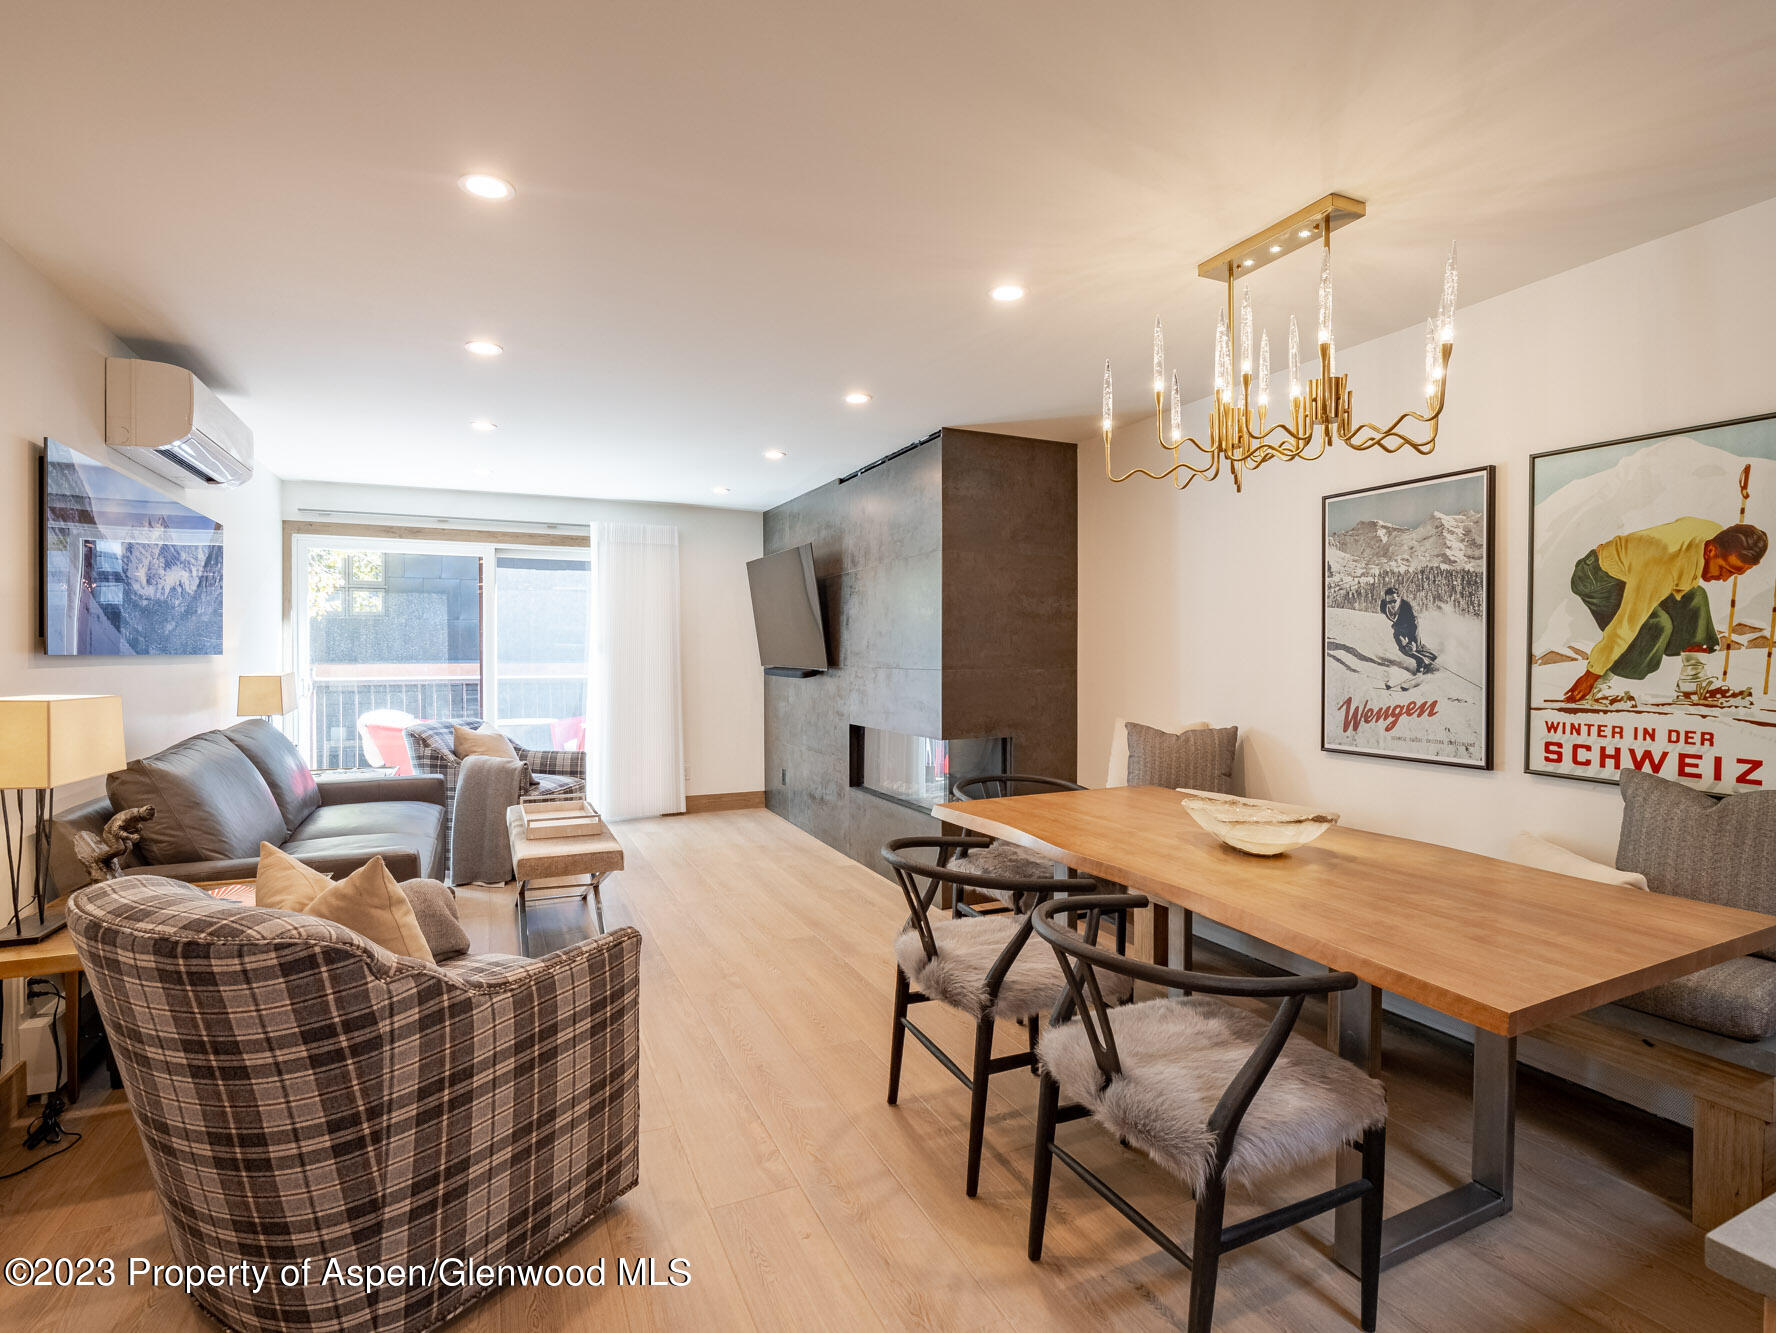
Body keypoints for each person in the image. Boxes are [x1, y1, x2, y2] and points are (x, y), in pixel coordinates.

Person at [1562, 518, 1767, 703]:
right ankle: (1595, 686)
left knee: (1696, 597)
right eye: (1725, 569)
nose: (1724, 578)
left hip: (1638, 567)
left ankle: (1692, 679)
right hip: (1597, 577)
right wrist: (1591, 674)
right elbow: (1626, 624)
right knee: (1655, 625)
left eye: (1735, 574)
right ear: (1711, 550)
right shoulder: (1661, 565)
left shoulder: (1715, 533)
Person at [1380, 587, 1437, 674]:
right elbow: (1392, 616)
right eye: (1389, 602)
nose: (1392, 604)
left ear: (1398, 599)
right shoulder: (1384, 607)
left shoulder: (1406, 606)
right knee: (1403, 648)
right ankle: (1420, 660)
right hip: (1398, 627)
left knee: (1415, 647)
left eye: (1394, 601)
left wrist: (1412, 642)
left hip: (1411, 625)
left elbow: (1413, 624)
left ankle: (1431, 657)